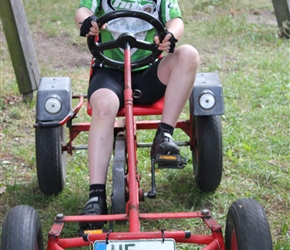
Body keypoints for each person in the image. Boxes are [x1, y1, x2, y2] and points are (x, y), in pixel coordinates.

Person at [75, 0, 200, 229]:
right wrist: (87, 21)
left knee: (188, 55)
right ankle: (96, 196)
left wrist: (170, 35)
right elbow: (84, 10)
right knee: (103, 108)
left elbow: (175, 20)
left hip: (149, 72)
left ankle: (164, 135)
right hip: (109, 72)